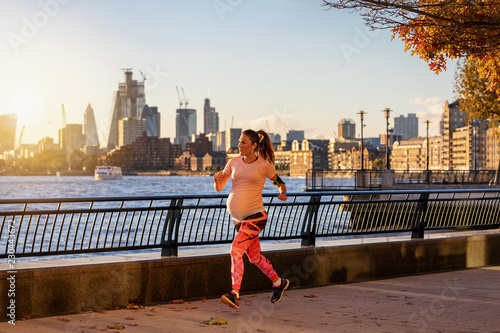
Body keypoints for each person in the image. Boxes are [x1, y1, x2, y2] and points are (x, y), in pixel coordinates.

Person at [213, 129, 289, 309]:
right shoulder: (233, 162)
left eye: (243, 143)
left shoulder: (264, 165)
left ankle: (234, 294)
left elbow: (279, 181)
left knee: (236, 250)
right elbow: (219, 187)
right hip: (238, 220)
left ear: (254, 146)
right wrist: (216, 180)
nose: (239, 145)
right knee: (254, 258)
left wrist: (282, 193)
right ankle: (279, 283)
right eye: (239, 142)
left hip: (256, 216)